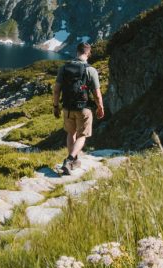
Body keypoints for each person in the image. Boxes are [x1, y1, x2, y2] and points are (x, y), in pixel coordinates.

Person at [53, 42, 104, 175]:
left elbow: (56, 90)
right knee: (82, 135)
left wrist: (56, 106)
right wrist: (100, 107)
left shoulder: (64, 68)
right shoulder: (90, 70)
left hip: (67, 107)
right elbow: (97, 94)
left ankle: (74, 161)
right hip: (84, 108)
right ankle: (70, 160)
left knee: (71, 133)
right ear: (88, 53)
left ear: (77, 52)